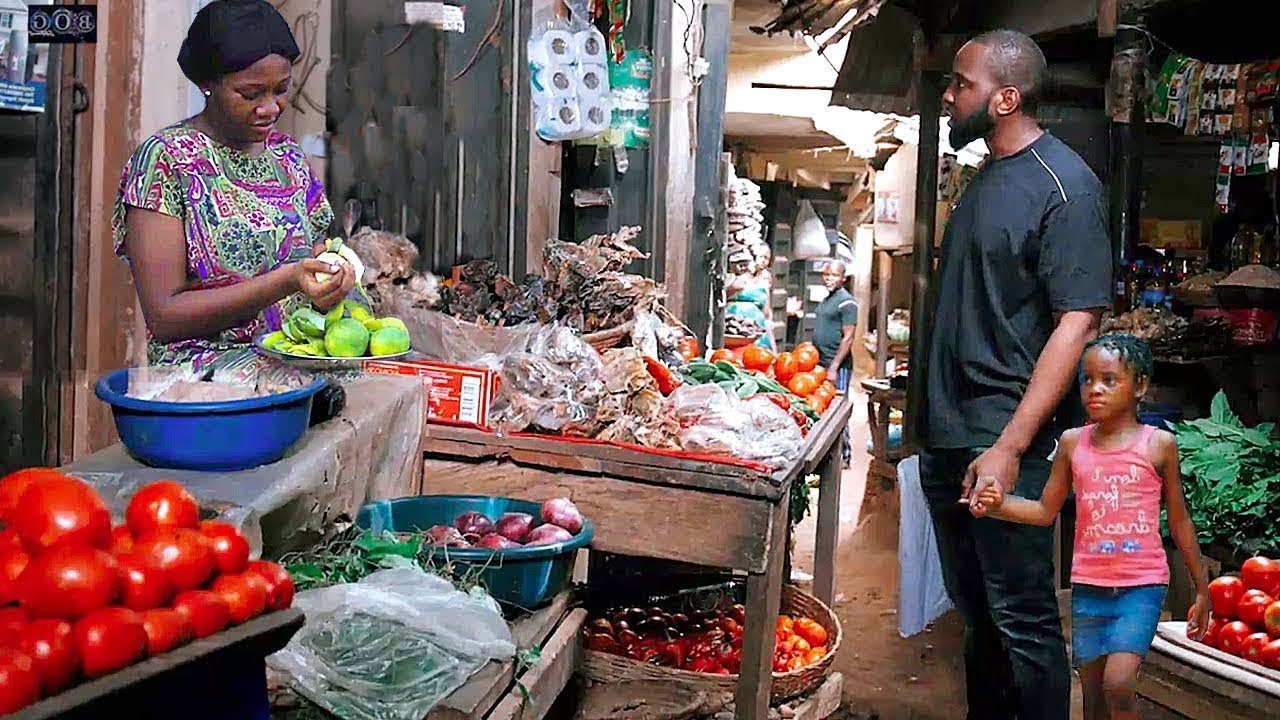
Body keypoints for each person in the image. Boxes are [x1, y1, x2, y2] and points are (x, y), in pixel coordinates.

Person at [918, 30, 1114, 720]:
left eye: (961, 84)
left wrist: (1006, 445)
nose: (948, 95)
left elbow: (1076, 323)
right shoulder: (985, 179)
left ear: (1004, 97)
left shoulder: (1066, 188)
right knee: (978, 622)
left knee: (1023, 624)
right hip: (952, 438)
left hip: (1007, 445)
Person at [970, 334, 1210, 720]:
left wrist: (1202, 588)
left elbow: (1179, 519)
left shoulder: (1159, 444)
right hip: (1089, 588)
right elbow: (1045, 511)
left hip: (1141, 586)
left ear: (1141, 387)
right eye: (1086, 379)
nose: (1094, 389)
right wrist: (998, 506)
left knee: (1119, 683)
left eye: (1109, 380)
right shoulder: (1071, 444)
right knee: (1094, 699)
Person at [112, 0, 354, 368]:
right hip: (207, 389)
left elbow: (318, 254)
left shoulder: (288, 159)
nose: (270, 108)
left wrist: (333, 281)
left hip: (299, 367)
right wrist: (285, 281)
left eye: (281, 89)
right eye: (250, 93)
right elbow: (164, 316)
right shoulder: (166, 161)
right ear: (207, 83)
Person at [813, 258, 857, 466]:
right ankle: (826, 453)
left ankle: (844, 454)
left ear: (843, 278)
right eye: (826, 275)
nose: (829, 278)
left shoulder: (847, 302)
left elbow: (848, 337)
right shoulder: (827, 300)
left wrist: (834, 367)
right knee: (824, 406)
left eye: (834, 275)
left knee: (837, 409)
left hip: (837, 366)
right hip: (821, 363)